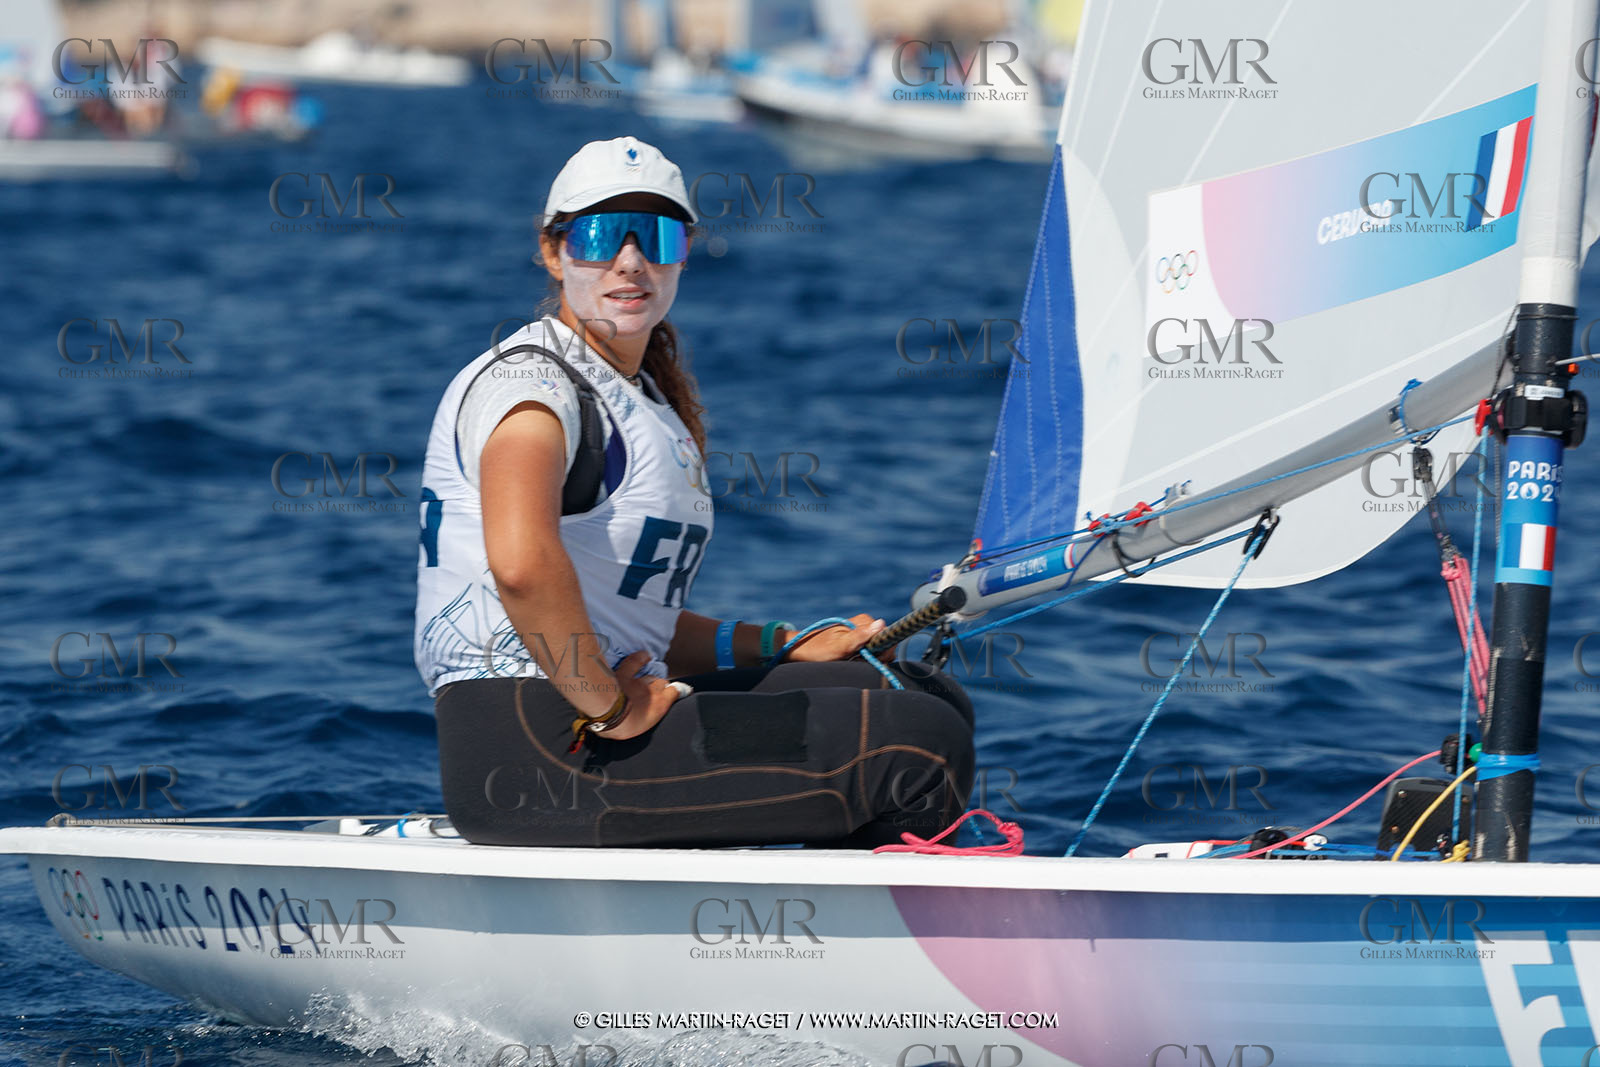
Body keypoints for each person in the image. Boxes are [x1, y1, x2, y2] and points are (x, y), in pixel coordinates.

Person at [415, 136, 974, 848]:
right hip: (539, 747)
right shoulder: (533, 388)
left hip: (594, 713)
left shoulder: (640, 397)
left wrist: (783, 645)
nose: (629, 260)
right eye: (597, 235)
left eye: (656, 236)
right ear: (554, 253)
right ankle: (868, 943)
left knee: (916, 692)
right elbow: (522, 569)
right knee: (915, 743)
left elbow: (633, 618)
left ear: (682, 253)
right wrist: (611, 706)